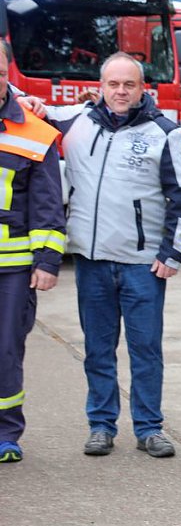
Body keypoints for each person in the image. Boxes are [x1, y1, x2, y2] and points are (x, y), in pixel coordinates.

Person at [41, 52, 181, 458]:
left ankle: (149, 427)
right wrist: (30, 102)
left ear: (142, 87)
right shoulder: (76, 121)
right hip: (92, 262)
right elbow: (29, 106)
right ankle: (101, 424)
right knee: (97, 348)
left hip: (143, 264)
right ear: (101, 86)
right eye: (113, 84)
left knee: (145, 349)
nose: (121, 91)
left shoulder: (165, 132)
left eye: (129, 84)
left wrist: (172, 253)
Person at [0, 45, 64, 464]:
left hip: (12, 267)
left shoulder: (36, 132)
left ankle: (6, 433)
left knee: (6, 349)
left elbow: (47, 204)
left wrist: (46, 260)